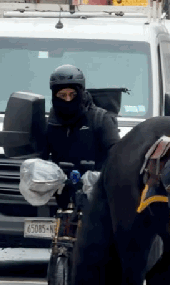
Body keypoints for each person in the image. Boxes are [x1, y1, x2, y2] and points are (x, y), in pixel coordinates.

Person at [41, 64, 120, 209]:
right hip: (60, 193)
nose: (68, 100)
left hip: (97, 196)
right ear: (54, 95)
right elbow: (40, 156)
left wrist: (99, 178)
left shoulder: (100, 118)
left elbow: (117, 156)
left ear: (81, 93)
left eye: (72, 95)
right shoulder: (50, 123)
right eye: (62, 96)